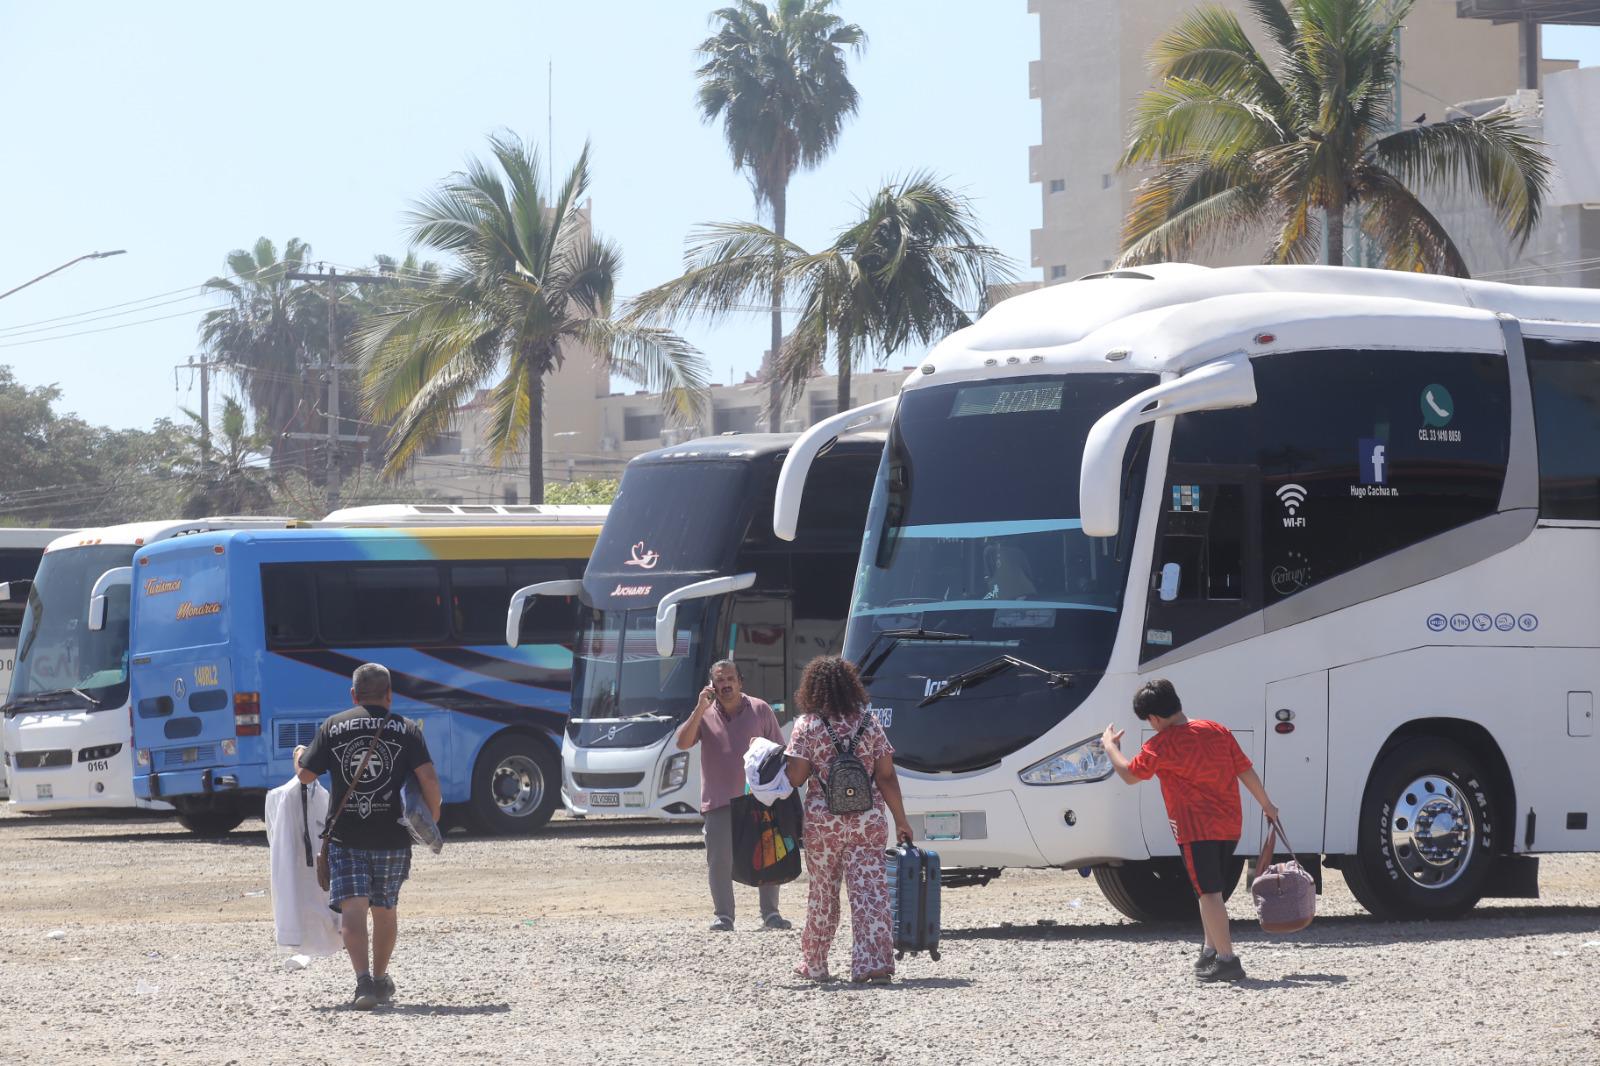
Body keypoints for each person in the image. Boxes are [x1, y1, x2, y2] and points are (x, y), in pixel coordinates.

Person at [1100, 678, 1279, 983]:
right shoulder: (1216, 730)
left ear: (1154, 718)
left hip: (1196, 829)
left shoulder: (1160, 745)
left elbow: (1130, 775)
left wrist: (1110, 747)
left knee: (1208, 893)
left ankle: (1227, 959)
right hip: (1229, 825)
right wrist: (1267, 804)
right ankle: (1210, 950)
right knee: (1210, 890)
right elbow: (1244, 769)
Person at [297, 663, 441, 1010]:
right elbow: (429, 780)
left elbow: (305, 776)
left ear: (353, 694)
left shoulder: (334, 726)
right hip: (392, 837)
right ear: (389, 694)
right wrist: (431, 821)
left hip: (346, 836)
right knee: (385, 910)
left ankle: (362, 982)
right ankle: (379, 978)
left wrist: (298, 755)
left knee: (353, 909)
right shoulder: (407, 730)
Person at [783, 656, 914, 984]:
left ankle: (815, 964)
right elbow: (886, 776)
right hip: (867, 822)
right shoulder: (870, 723)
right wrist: (901, 821)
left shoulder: (807, 725)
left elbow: (796, 777)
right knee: (870, 893)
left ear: (812, 688)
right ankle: (874, 965)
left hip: (823, 825)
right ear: (850, 686)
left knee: (822, 893)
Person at [674, 659, 792, 932]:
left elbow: (780, 751)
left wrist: (779, 791)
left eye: (730, 679)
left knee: (767, 855)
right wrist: (699, 708)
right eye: (720, 680)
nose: (725, 684)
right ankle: (724, 916)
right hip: (718, 801)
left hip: (759, 799)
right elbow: (682, 743)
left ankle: (771, 914)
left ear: (740, 682)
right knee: (719, 861)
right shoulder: (704, 714)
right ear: (712, 685)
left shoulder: (760, 709)